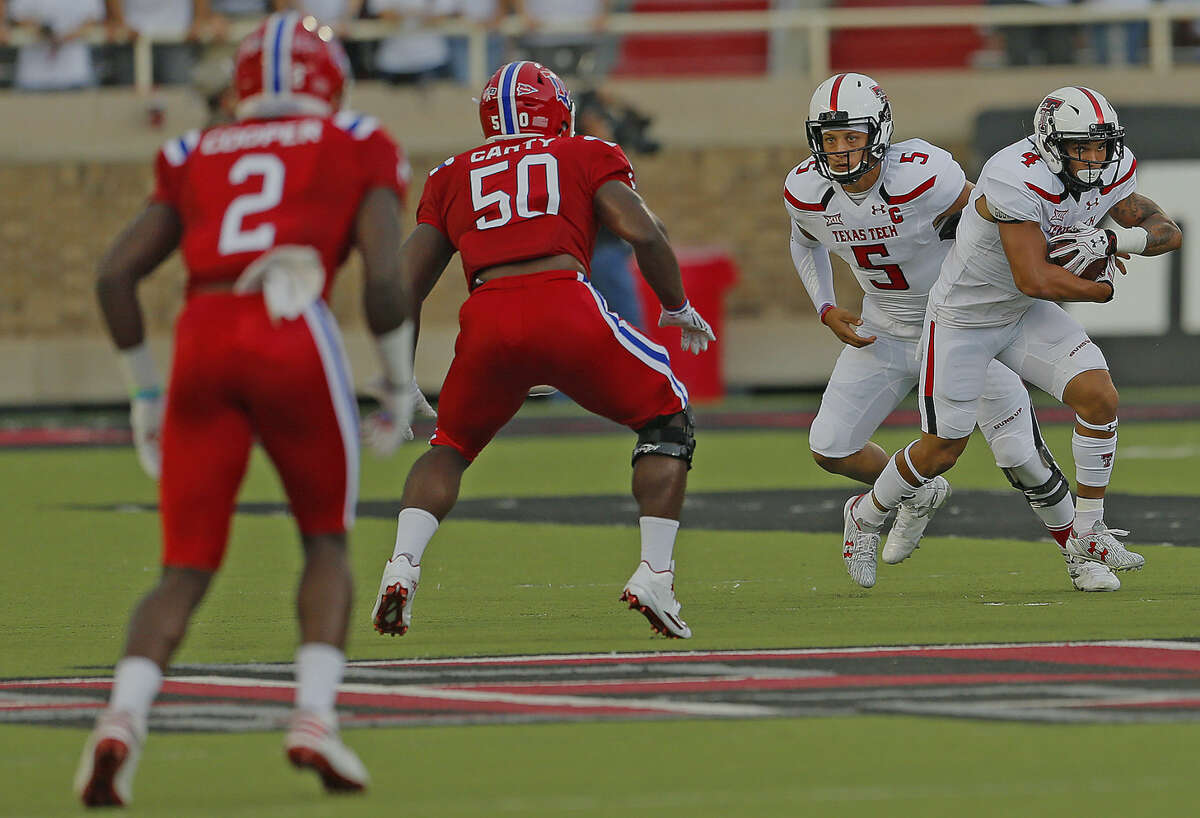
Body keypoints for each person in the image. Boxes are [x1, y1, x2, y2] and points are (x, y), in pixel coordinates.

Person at [73, 12, 415, 806]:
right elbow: (388, 281)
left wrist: (144, 394)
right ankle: (314, 716)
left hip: (202, 336)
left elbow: (113, 276)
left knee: (184, 567)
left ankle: (123, 718)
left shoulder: (193, 149)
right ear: (330, 80)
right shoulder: (357, 138)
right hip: (291, 327)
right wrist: (397, 385)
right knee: (325, 541)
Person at [369, 60, 715, 641]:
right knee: (666, 418)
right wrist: (676, 304)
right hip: (563, 305)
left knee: (449, 447)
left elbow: (402, 283)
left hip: (487, 318)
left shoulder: (452, 173)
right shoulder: (584, 152)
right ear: (557, 110)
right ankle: (656, 573)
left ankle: (401, 565)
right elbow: (642, 230)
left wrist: (399, 377)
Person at [839, 86, 1182, 591]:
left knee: (1098, 397)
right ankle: (865, 515)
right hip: (964, 317)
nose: (1092, 158)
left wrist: (1111, 238)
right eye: (1079, 147)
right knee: (942, 449)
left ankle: (1088, 532)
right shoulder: (1013, 177)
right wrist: (1102, 288)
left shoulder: (1112, 168)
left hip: (1023, 315)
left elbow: (1165, 230)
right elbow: (1034, 277)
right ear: (1047, 143)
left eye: (1099, 146)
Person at [788, 73, 1120, 593]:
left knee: (1018, 454)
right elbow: (803, 240)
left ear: (879, 131)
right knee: (829, 447)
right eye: (830, 139)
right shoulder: (805, 190)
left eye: (852, 136)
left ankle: (1080, 555)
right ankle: (913, 491)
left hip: (964, 321)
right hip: (884, 326)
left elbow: (990, 218)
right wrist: (825, 305)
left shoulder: (926, 174)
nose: (841, 150)